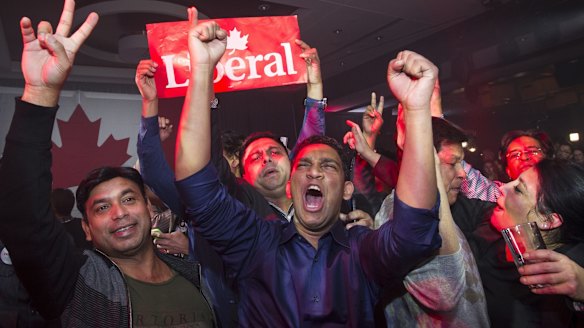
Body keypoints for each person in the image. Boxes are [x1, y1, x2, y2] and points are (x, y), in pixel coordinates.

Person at [174, 8, 441, 325]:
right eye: (304, 165)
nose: (314, 171)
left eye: (328, 166)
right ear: (290, 184)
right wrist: (202, 70)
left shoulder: (362, 251)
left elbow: (413, 232)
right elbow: (195, 184)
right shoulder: (254, 241)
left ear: (346, 189)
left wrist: (417, 109)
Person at [0, 2, 220, 326]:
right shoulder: (78, 284)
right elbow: (23, 215)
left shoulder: (198, 276)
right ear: (86, 229)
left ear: (149, 208)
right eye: (101, 208)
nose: (119, 213)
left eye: (129, 199)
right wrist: (41, 93)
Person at [345, 110, 489, 326]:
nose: (462, 173)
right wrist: (422, 160)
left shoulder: (447, 205)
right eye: (452, 163)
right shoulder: (397, 212)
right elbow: (445, 293)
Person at [488, 159, 584, 326]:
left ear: (548, 220)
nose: (502, 187)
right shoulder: (492, 246)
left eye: (518, 189)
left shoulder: (569, 274)